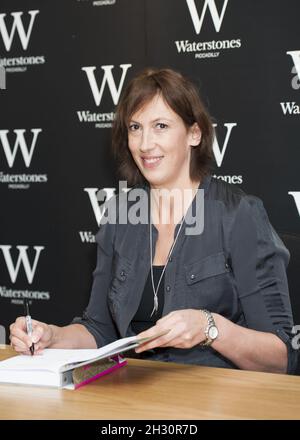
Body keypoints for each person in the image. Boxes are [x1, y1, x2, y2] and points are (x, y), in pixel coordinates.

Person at [9, 68, 298, 374]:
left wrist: (209, 328)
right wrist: (53, 335)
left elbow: (281, 357)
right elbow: (99, 330)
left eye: (160, 126)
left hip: (216, 402)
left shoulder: (238, 215)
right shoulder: (120, 215)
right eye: (135, 127)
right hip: (132, 397)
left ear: (194, 133)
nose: (145, 144)